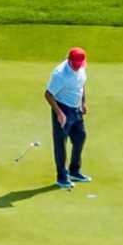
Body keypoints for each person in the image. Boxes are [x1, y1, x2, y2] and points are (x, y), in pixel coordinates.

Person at [44, 47, 89, 186]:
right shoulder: (60, 74)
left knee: (80, 137)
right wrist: (59, 113)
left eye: (79, 65)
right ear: (69, 60)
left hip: (76, 109)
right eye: (74, 65)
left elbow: (81, 85)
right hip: (63, 109)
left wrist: (83, 102)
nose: (77, 68)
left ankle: (74, 171)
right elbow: (48, 94)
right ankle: (62, 177)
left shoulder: (81, 66)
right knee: (61, 144)